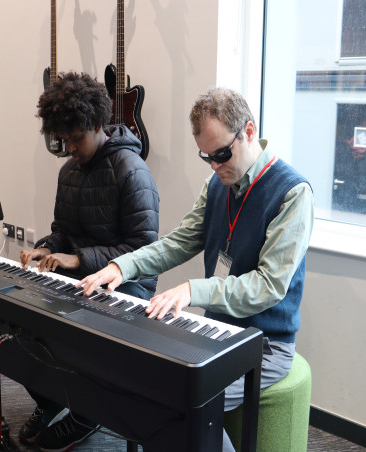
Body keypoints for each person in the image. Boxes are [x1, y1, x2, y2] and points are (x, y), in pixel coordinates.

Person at [78, 87, 315, 451]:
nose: (215, 165)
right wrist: (121, 267)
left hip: (265, 344)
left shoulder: (293, 193)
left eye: (221, 154)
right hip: (215, 330)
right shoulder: (217, 185)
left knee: (182, 404)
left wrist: (192, 290)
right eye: (207, 157)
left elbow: (268, 285)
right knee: (143, 384)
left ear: (249, 132)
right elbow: (178, 242)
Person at [17, 72, 159, 451]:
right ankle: (51, 402)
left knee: (78, 342)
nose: (70, 149)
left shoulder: (132, 171)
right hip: (79, 277)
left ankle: (86, 413)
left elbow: (144, 250)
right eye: (64, 141)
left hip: (125, 286)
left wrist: (77, 259)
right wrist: (47, 248)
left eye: (76, 139)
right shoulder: (69, 171)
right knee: (21, 329)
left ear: (98, 126)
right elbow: (62, 229)